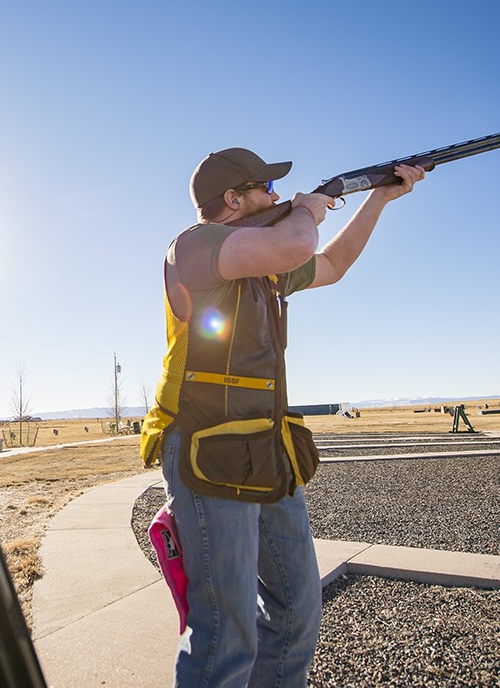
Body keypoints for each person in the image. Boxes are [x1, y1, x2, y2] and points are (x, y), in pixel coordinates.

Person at [139, 147, 424, 687]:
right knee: (224, 631)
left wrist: (379, 198)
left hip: (265, 448)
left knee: (297, 609)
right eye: (266, 189)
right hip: (208, 447)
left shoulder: (264, 267)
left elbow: (333, 265)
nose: (276, 196)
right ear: (233, 199)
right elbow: (294, 242)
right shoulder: (194, 245)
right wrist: (309, 209)